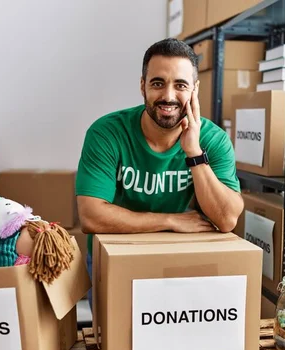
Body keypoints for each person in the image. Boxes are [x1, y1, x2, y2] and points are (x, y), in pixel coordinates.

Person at [75, 38, 244, 306]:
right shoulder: (106, 133)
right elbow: (91, 216)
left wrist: (194, 152)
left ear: (194, 90)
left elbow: (226, 219)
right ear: (142, 85)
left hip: (176, 256)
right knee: (113, 346)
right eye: (157, 83)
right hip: (114, 256)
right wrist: (170, 220)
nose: (168, 96)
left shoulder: (213, 139)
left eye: (180, 85)